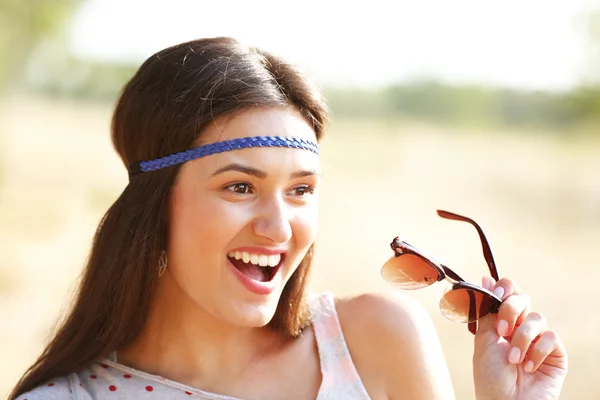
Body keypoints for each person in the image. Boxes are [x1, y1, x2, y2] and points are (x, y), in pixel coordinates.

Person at [9, 37, 567, 400]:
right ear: (155, 201)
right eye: (239, 186)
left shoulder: (376, 342)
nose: (278, 228)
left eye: (300, 190)